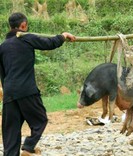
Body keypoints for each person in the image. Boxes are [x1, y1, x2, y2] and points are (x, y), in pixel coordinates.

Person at [0, 12, 76, 156]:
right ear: (23, 25)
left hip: (9, 93)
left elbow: (2, 74)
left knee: (10, 132)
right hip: (27, 91)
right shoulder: (27, 38)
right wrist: (63, 36)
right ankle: (28, 147)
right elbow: (49, 43)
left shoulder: (2, 47)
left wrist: (7, 92)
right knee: (40, 120)